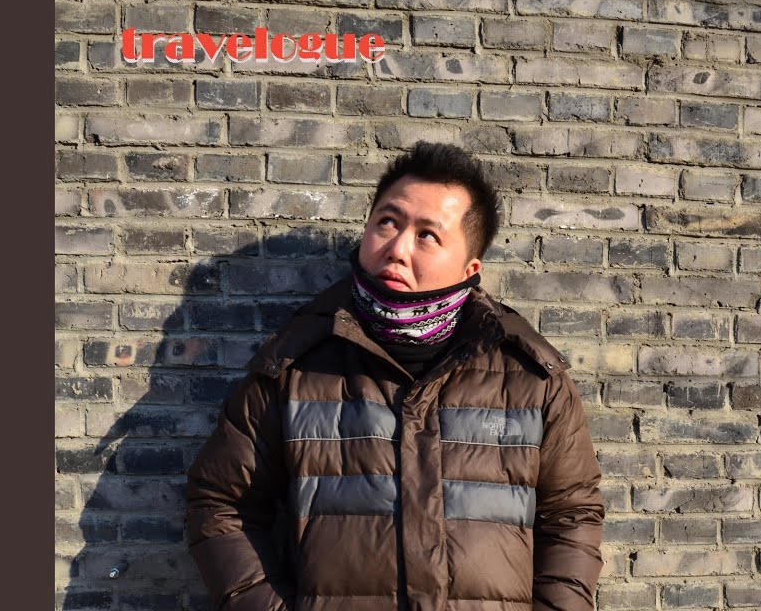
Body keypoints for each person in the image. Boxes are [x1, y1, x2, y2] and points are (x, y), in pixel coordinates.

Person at [186, 142, 604, 611]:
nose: (398, 249)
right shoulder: (293, 367)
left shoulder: (531, 378)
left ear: (469, 268)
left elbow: (572, 515)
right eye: (387, 222)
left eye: (428, 235)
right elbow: (222, 503)